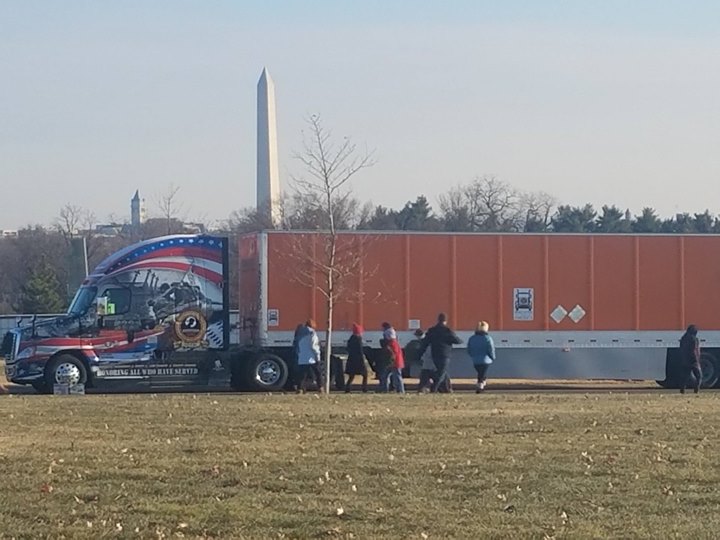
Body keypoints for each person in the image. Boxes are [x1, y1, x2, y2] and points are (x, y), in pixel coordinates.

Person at [418, 312, 462, 393]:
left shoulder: (432, 330)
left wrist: (419, 353)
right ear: (445, 321)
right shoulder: (447, 331)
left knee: (442, 372)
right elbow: (458, 341)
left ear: (438, 320)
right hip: (444, 355)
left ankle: (447, 389)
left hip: (435, 354)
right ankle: (434, 389)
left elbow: (425, 342)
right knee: (441, 373)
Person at [467, 321, 495, 393]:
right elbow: (491, 349)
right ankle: (480, 388)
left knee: (481, 373)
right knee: (482, 374)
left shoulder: (472, 338)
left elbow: (469, 350)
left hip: (475, 360)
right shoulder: (488, 338)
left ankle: (482, 385)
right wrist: (492, 357)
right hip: (486, 360)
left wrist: (473, 355)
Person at [296, 319, 323, 393]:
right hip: (311, 357)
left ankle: (300, 389)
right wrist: (317, 355)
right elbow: (314, 346)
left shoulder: (299, 333)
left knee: (302, 375)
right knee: (318, 373)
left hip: (302, 357)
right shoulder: (312, 333)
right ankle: (320, 388)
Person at [382, 323, 405, 393]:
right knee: (392, 376)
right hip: (395, 362)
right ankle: (397, 390)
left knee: (396, 377)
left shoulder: (392, 343)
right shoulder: (395, 342)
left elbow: (393, 353)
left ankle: (400, 390)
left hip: (395, 363)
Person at [345, 323, 369, 393]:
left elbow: (348, 349)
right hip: (359, 361)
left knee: (351, 376)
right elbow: (360, 351)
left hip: (351, 360)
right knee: (365, 374)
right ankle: (364, 388)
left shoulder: (351, 339)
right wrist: (363, 359)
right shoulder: (358, 339)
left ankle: (347, 388)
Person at [679, 324, 702, 394]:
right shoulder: (694, 339)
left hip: (685, 360)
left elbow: (681, 349)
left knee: (685, 376)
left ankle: (682, 389)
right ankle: (696, 390)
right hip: (693, 361)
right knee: (699, 376)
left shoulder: (683, 338)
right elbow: (694, 350)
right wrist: (696, 360)